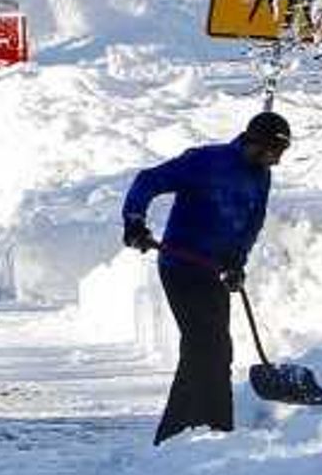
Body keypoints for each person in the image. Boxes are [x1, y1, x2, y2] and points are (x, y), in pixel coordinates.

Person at [120, 109, 291, 444]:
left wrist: (237, 262)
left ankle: (199, 430)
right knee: (206, 347)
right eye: (272, 152)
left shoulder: (262, 175)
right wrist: (134, 221)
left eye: (280, 155)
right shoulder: (205, 161)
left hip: (213, 269)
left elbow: (252, 221)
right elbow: (147, 181)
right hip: (181, 266)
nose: (276, 162)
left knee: (215, 349)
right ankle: (196, 430)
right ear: (253, 142)